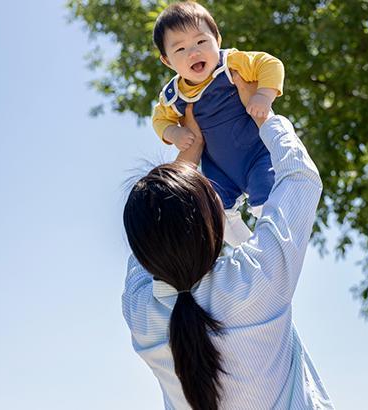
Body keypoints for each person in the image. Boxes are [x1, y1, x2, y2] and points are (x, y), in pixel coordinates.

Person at [122, 74, 333, 409]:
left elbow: (147, 244)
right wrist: (264, 115)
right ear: (212, 223)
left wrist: (190, 154)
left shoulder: (143, 314)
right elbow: (300, 178)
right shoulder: (254, 278)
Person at [150, 1, 284, 247]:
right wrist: (173, 132)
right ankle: (247, 248)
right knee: (213, 212)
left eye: (201, 42)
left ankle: (270, 246)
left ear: (217, 40)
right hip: (217, 168)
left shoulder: (231, 63)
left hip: (256, 153)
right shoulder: (173, 95)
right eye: (180, 49)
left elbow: (270, 63)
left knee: (267, 201)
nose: (194, 53)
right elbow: (159, 119)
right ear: (167, 61)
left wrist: (264, 95)